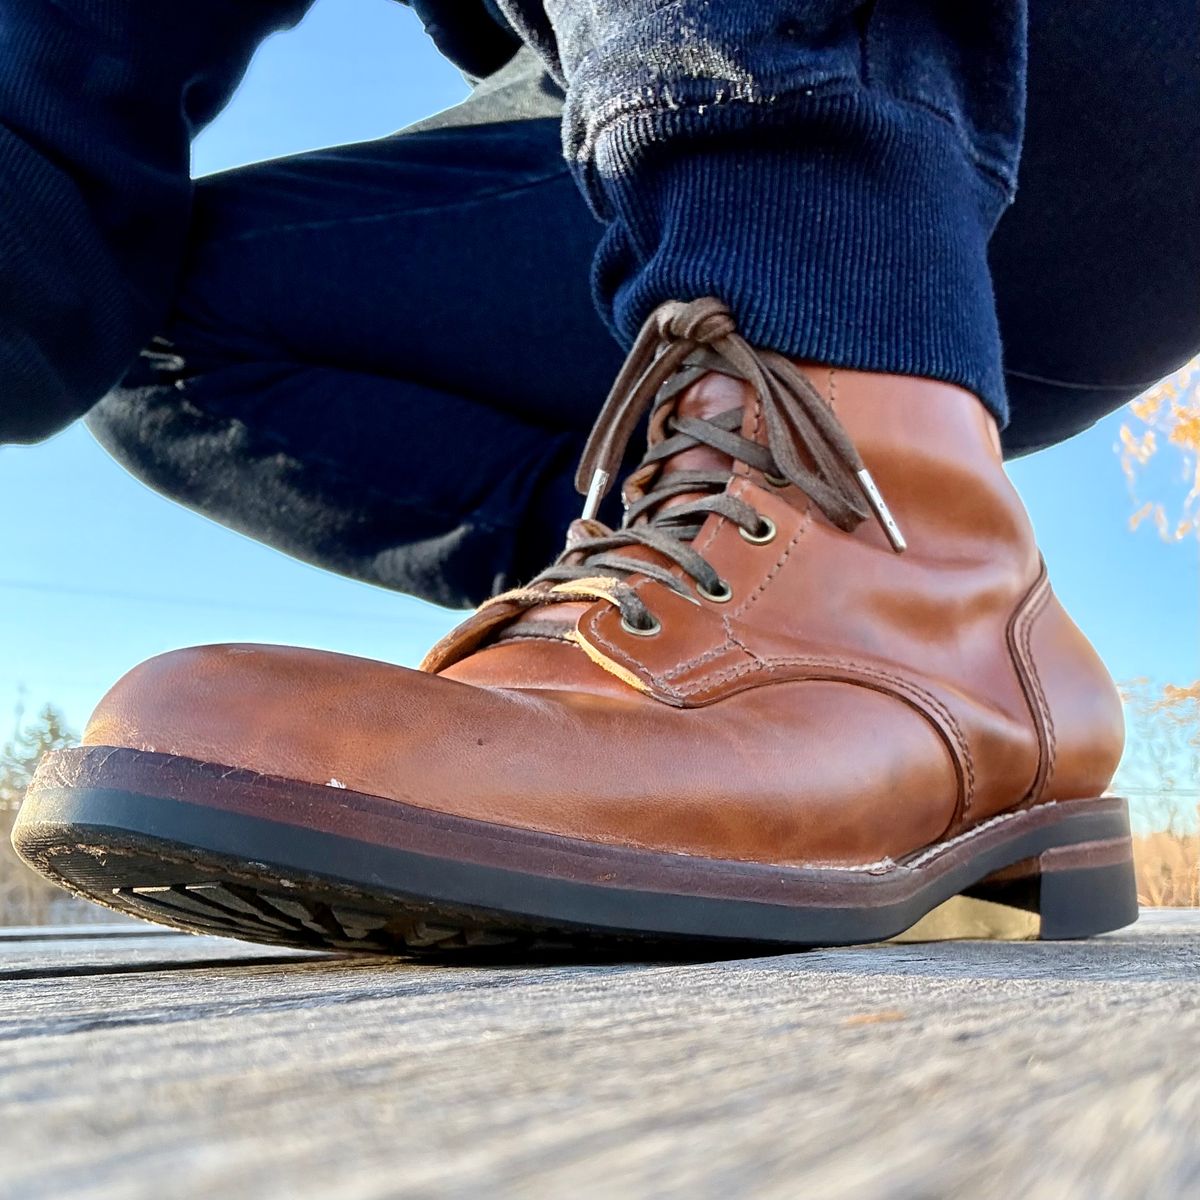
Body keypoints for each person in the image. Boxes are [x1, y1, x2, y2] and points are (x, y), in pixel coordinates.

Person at [7, 2, 1199, 951]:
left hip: (1078, 83)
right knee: (160, 334)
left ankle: (873, 578)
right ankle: (706, 605)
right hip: (648, 116)